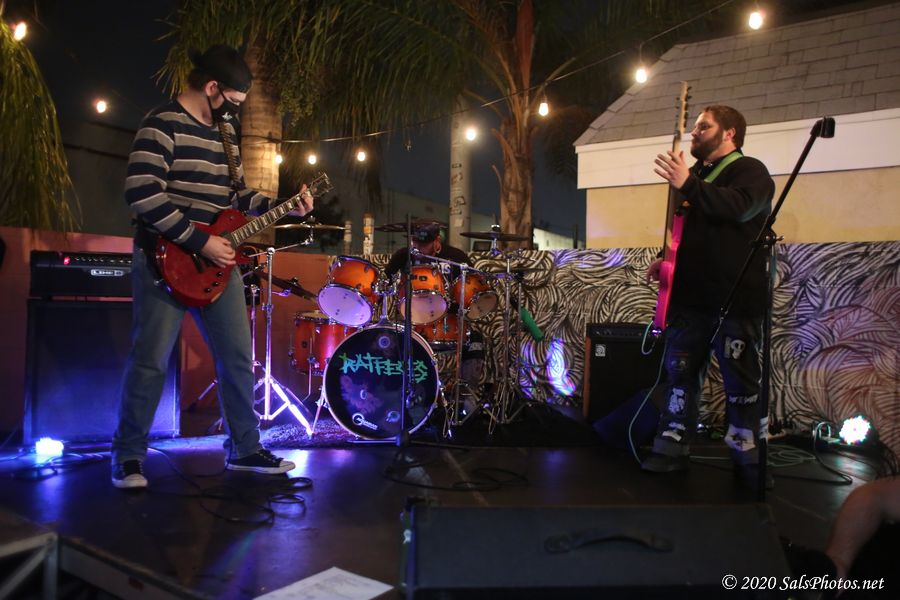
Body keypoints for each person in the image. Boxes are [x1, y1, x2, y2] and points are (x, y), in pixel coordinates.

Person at [111, 44, 313, 489]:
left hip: (216, 268)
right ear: (211, 87)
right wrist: (201, 241)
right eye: (233, 101)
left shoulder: (225, 133)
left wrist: (284, 205)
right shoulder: (162, 123)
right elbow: (142, 193)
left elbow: (238, 197)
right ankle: (127, 456)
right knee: (150, 361)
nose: (234, 111)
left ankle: (244, 449)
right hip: (164, 261)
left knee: (237, 357)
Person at [641, 105, 776, 489]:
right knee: (679, 375)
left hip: (736, 301)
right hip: (690, 303)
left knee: (742, 382)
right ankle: (673, 444)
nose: (695, 132)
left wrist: (687, 182)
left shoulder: (750, 171)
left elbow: (738, 208)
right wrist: (667, 261)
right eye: (695, 126)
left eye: (704, 126)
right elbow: (692, 231)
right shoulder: (697, 177)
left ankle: (746, 454)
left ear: (729, 133)